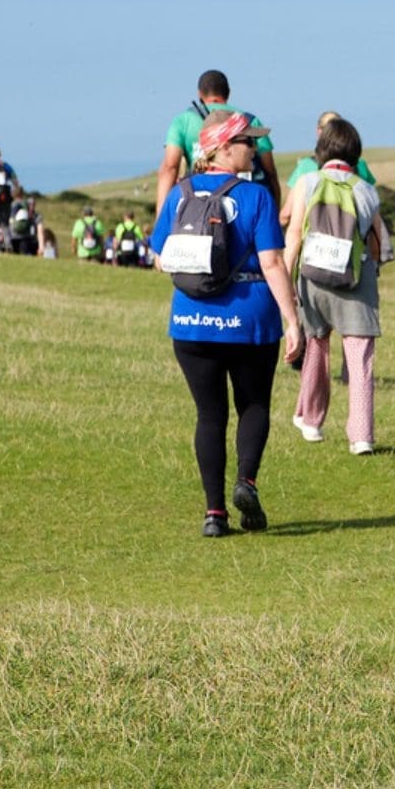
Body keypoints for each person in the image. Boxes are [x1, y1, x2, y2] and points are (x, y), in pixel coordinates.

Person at [149, 111, 302, 537]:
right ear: (222, 147)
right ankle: (246, 482)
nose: (255, 150)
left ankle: (214, 514)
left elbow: (160, 259)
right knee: (253, 405)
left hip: (191, 322)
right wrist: (293, 321)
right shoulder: (257, 198)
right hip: (249, 321)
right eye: (247, 142)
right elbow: (272, 262)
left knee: (209, 416)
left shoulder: (179, 194)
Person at [283, 115, 391, 455]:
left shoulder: (307, 182)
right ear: (355, 153)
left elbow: (294, 235)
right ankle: (361, 436)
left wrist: (285, 281)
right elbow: (376, 243)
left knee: (316, 346)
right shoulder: (366, 190)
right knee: (360, 358)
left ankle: (312, 421)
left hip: (313, 279)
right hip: (355, 279)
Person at [158, 70, 279, 214]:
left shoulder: (183, 120)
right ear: (228, 93)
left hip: (197, 204)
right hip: (245, 202)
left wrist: (162, 215)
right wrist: (275, 207)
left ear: (200, 94)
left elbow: (169, 167)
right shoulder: (249, 121)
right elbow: (270, 171)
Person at [284, 111, 379, 194]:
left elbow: (288, 210)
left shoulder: (305, 166)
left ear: (319, 132)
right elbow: (373, 202)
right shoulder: (360, 165)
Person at [9, 192, 40, 258]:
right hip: (24, 238)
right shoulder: (27, 213)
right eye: (31, 204)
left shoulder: (16, 208)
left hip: (16, 237)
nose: (32, 206)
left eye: (33, 204)